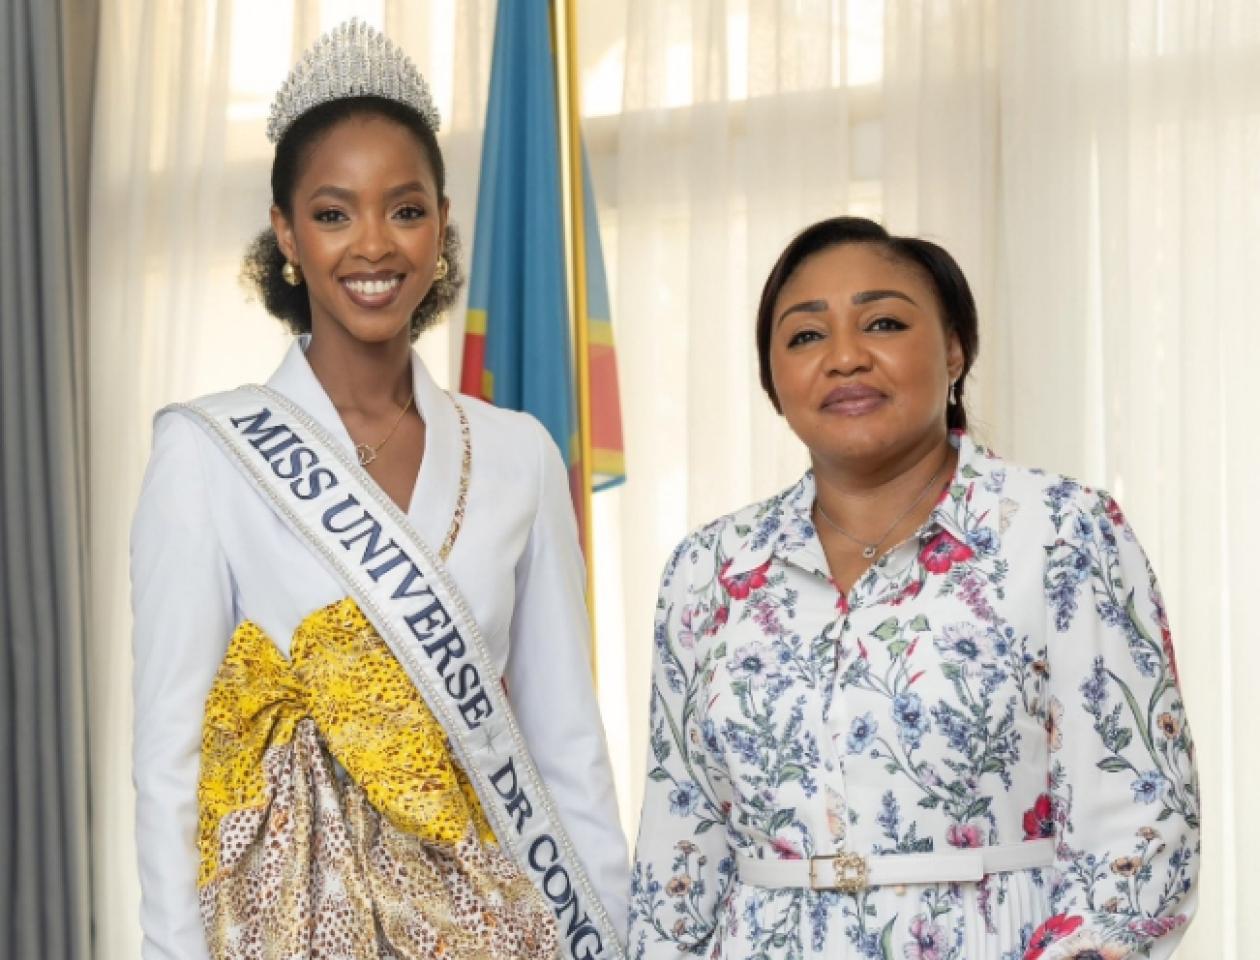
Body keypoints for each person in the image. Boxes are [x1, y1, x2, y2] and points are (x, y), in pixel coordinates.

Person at [131, 20, 627, 960]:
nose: (373, 245)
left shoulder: (517, 453)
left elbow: (567, 747)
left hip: (491, 925)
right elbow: (170, 764)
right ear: (285, 233)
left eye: (404, 210)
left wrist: (608, 933)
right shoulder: (209, 452)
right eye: (332, 212)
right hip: (289, 928)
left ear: (441, 223)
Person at [628, 217, 1198, 960]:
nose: (844, 358)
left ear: (955, 349)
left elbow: (1143, 831)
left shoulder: (1062, 532)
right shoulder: (709, 570)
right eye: (804, 337)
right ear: (772, 380)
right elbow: (679, 856)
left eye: (884, 323)